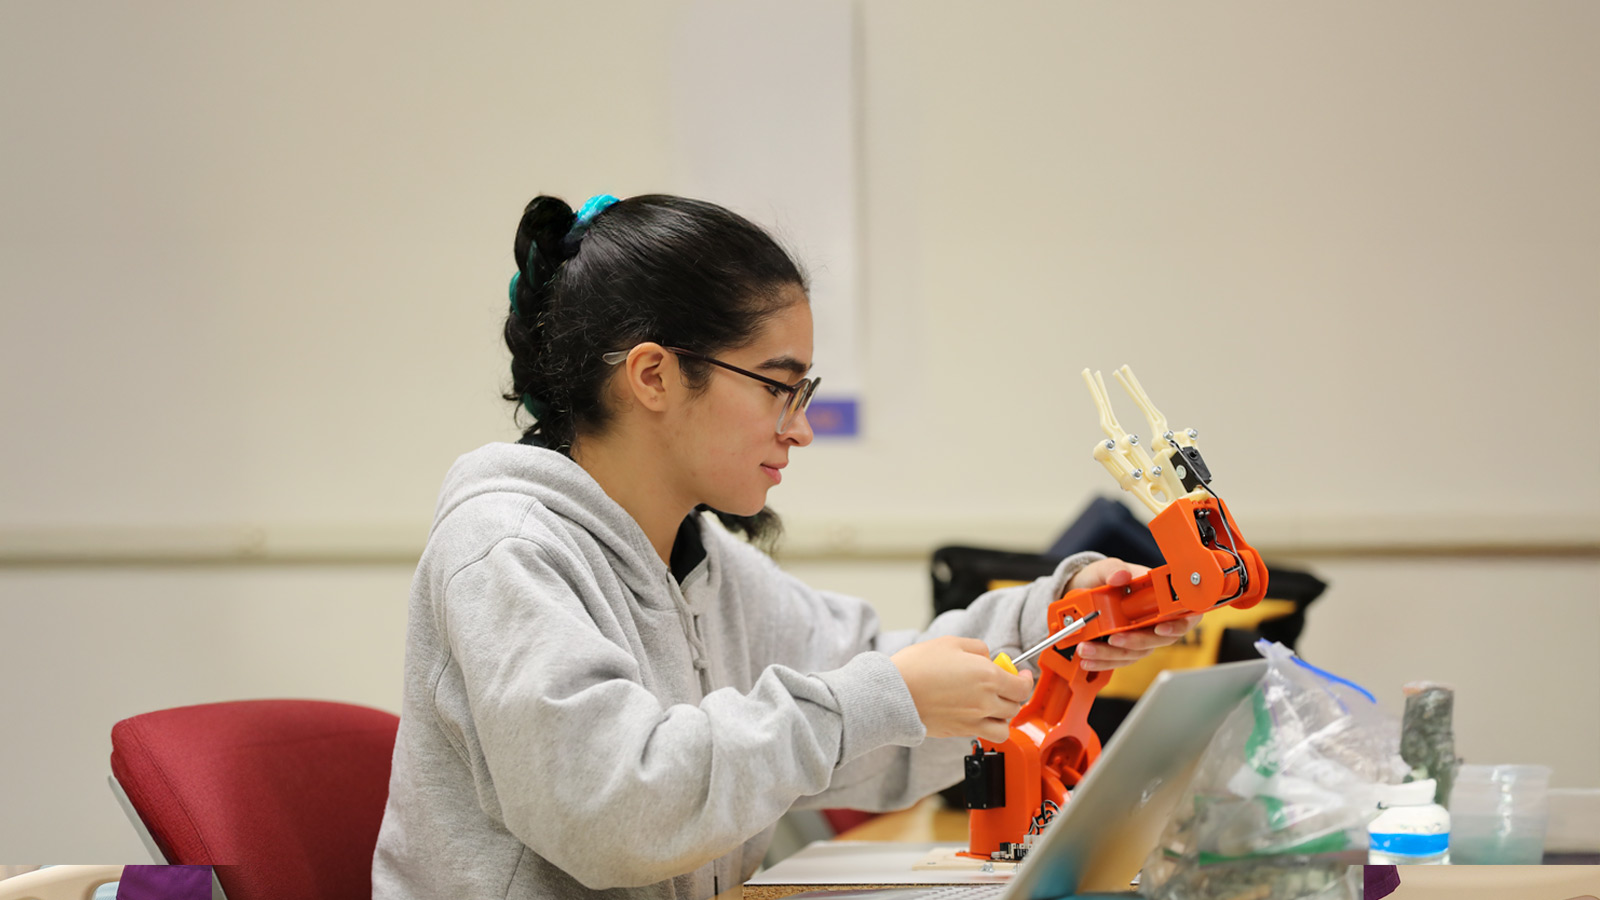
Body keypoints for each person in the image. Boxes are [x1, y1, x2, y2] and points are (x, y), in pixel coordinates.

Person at [371, 194, 1199, 900]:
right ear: (654, 376)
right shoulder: (506, 551)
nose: (799, 429)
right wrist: (880, 696)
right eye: (778, 386)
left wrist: (1059, 620)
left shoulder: (698, 560)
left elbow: (870, 679)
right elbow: (614, 810)